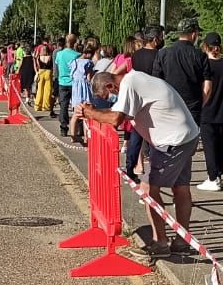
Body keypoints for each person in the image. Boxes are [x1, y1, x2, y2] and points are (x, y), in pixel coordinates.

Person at [81, 66, 200, 257]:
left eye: (107, 95)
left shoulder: (129, 84)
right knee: (181, 188)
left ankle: (160, 242)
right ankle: (182, 240)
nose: (111, 99)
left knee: (148, 189)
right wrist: (95, 110)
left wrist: (90, 113)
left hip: (172, 141)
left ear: (111, 86)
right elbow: (118, 111)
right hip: (185, 134)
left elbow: (115, 119)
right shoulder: (134, 79)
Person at [124, 25, 164, 183]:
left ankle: (129, 167)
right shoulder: (160, 55)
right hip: (153, 97)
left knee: (136, 134)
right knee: (154, 136)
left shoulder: (136, 55)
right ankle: (155, 169)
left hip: (138, 97)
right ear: (155, 40)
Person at [197, 32, 223, 191]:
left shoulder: (204, 64)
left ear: (205, 46)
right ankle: (219, 172)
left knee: (209, 145)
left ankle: (213, 177)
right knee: (221, 144)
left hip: (207, 109)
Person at [69, 39, 98, 142]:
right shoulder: (88, 62)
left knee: (75, 115)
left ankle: (73, 135)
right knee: (86, 114)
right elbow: (89, 78)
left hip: (75, 89)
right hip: (84, 88)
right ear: (89, 54)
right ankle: (86, 137)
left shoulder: (74, 61)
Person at [54, 33, 80, 128]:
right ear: (75, 43)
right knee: (76, 105)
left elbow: (57, 64)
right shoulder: (77, 55)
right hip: (74, 82)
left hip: (62, 82)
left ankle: (64, 126)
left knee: (63, 105)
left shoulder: (59, 54)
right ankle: (77, 125)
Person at [34, 40, 55, 113]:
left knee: (40, 89)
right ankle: (45, 106)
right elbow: (52, 66)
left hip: (41, 72)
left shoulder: (39, 57)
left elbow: (36, 63)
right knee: (47, 90)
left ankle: (37, 105)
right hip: (48, 73)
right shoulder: (50, 57)